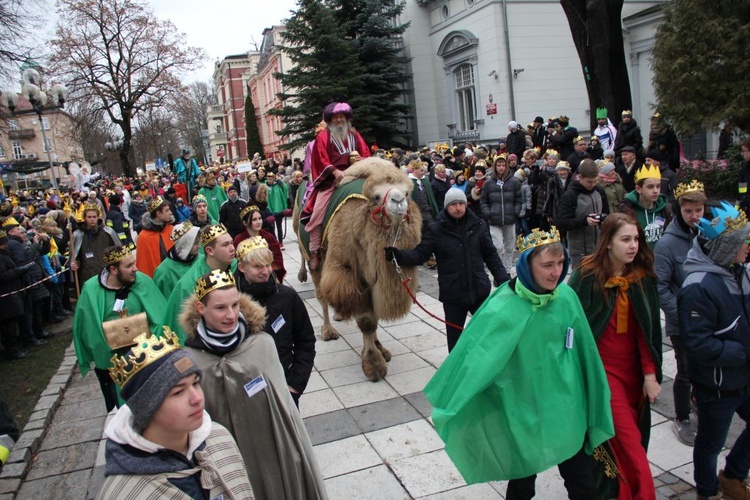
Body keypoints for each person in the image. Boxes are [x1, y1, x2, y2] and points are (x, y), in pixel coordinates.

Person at [424, 226, 614, 497]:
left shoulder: (566, 298)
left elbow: (585, 351)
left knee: (581, 481)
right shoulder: (503, 307)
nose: (556, 272)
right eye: (547, 265)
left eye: (561, 263)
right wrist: (454, 401)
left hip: (565, 407)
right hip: (524, 410)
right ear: (527, 265)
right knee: (523, 482)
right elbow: (476, 358)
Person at [179, 269, 328, 499]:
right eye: (220, 308)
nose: (230, 315)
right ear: (201, 309)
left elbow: (285, 414)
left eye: (235, 305)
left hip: (271, 456)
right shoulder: (191, 360)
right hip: (224, 463)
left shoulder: (261, 344)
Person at [569, 213, 662, 500]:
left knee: (628, 440)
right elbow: (568, 324)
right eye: (626, 239)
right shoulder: (586, 275)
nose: (633, 245)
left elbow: (646, 333)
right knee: (629, 443)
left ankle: (619, 490)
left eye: (636, 239)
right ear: (608, 242)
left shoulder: (641, 278)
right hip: (603, 376)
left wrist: (649, 374)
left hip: (633, 375)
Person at [98, 329, 254, 499]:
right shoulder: (123, 493)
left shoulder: (220, 438)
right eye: (178, 392)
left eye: (195, 383)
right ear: (147, 406)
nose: (197, 398)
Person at [678, 201, 750, 500]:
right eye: (742, 242)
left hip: (744, 377)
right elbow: (696, 343)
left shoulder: (739, 271)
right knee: (709, 445)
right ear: (725, 248)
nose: (748, 246)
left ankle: (732, 476)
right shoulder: (699, 286)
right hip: (716, 385)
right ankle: (707, 492)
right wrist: (741, 352)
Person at [386, 189, 510, 351]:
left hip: (479, 289)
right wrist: (399, 256)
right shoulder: (436, 229)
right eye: (453, 205)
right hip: (453, 293)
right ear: (446, 207)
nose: (458, 208)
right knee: (455, 339)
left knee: (487, 333)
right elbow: (421, 254)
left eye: (461, 204)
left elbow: (491, 256)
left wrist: (504, 280)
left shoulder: (478, 225)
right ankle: (455, 371)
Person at [73, 246, 165, 411]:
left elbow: (160, 318)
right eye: (129, 266)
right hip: (111, 365)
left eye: (134, 264)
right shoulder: (91, 289)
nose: (135, 269)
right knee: (119, 411)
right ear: (113, 269)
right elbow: (88, 329)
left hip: (145, 359)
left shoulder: (142, 281)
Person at [654, 180, 706, 447]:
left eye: (699, 210)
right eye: (689, 211)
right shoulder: (667, 244)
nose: (695, 216)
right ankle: (682, 416)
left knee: (704, 365)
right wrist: (680, 315)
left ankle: (700, 401)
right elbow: (660, 285)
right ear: (679, 211)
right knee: (685, 370)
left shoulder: (707, 234)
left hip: (706, 318)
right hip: (681, 321)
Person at [235, 237, 316, 407]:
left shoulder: (288, 297)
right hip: (246, 397)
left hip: (285, 388)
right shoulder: (231, 303)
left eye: (268, 265)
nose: (265, 271)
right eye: (257, 266)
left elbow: (306, 341)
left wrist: (295, 385)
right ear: (242, 267)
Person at [302, 102, 370, 270]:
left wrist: (363, 160)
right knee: (317, 212)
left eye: (342, 117)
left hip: (356, 174)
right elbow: (321, 158)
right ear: (330, 119)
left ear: (347, 118)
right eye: (336, 117)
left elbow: (366, 152)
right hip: (333, 179)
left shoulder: (354, 134)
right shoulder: (323, 137)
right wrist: (334, 171)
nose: (339, 120)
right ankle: (315, 250)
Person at [162, 224, 236, 343]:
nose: (232, 248)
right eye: (225, 244)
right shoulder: (189, 284)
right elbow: (182, 329)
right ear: (209, 251)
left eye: (231, 243)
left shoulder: (237, 266)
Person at [555, 159, 609, 268]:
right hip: (579, 250)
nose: (592, 184)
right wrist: (585, 221)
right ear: (581, 177)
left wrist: (603, 218)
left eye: (595, 181)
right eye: (589, 181)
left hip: (599, 247)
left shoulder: (599, 191)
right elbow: (561, 223)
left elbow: (607, 213)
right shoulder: (570, 195)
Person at [481, 155, 522, 272]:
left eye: (503, 165)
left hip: (510, 219)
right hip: (494, 219)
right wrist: (488, 213)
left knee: (510, 247)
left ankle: (507, 270)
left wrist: (515, 212)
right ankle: (498, 270)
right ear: (494, 166)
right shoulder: (488, 183)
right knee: (498, 246)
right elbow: (483, 200)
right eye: (498, 165)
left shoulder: (514, 182)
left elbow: (518, 200)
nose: (501, 168)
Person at [618, 164, 671, 249]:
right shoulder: (627, 210)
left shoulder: (666, 209)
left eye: (658, 186)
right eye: (650, 187)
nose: (656, 191)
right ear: (638, 189)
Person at [71, 204, 122, 286]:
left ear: (98, 217)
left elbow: (118, 252)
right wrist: (75, 263)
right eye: (89, 217)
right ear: (85, 218)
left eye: (94, 217)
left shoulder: (109, 232)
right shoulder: (78, 235)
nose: (92, 219)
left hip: (106, 273)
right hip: (87, 275)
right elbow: (75, 256)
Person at [233, 205, 285, 283]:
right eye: (254, 219)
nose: (258, 222)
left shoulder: (269, 237)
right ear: (245, 222)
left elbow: (278, 259)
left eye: (260, 218)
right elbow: (235, 262)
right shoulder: (239, 240)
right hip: (247, 279)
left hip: (269, 276)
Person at [0, 229, 29, 359]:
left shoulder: (5, 254)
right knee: (8, 326)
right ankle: (11, 350)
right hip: (6, 297)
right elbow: (2, 276)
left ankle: (13, 348)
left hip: (12, 293)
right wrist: (18, 271)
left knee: (12, 324)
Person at [153, 222, 201, 298]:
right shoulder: (163, 272)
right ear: (185, 245)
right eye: (195, 243)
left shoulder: (201, 260)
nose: (199, 246)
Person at [135, 196, 174, 278]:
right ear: (158, 214)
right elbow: (143, 265)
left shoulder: (171, 230)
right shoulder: (143, 237)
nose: (170, 212)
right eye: (167, 210)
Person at [737, 139, 750, 217]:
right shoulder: (744, 169)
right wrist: (737, 210)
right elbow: (740, 193)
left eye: (743, 151)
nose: (742, 154)